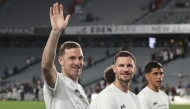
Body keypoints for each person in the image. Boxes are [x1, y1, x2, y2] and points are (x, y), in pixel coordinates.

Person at [41, 2, 89, 109]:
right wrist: (55, 32)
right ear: (61, 60)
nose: (77, 62)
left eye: (80, 58)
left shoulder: (80, 89)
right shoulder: (59, 83)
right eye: (72, 58)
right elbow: (46, 67)